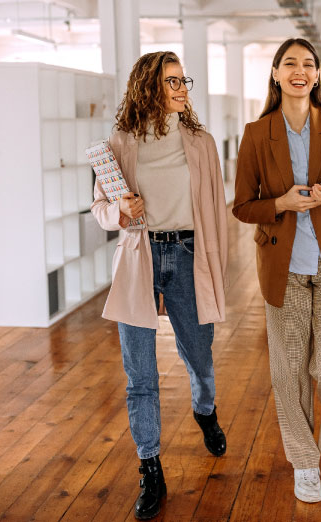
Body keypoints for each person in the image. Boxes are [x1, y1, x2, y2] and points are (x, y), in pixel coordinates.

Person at [232, 38, 321, 503]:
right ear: (275, 73)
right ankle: (304, 461)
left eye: (308, 64)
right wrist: (281, 203)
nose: (300, 71)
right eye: (289, 63)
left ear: (317, 75)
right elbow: (243, 207)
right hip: (284, 267)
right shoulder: (257, 133)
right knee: (288, 369)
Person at [90, 51, 228, 520]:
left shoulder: (201, 142)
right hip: (140, 256)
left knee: (199, 356)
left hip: (190, 256)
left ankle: (205, 409)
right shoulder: (121, 143)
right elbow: (101, 208)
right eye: (172, 81)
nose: (182, 87)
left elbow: (215, 209)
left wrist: (219, 266)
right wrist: (120, 211)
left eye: (183, 80)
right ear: (148, 86)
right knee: (140, 377)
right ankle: (150, 467)